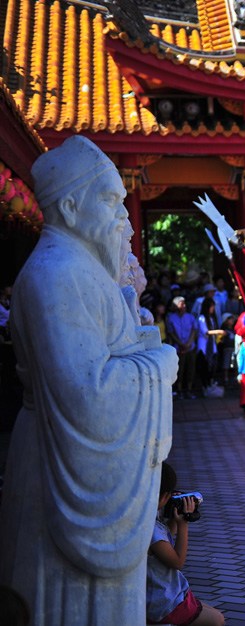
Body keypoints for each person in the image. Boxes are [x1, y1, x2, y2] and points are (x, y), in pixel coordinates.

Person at [0, 135, 178, 623]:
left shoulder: (81, 269)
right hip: (58, 458)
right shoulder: (60, 274)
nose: (124, 218)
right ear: (73, 205)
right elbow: (85, 392)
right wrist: (161, 362)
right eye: (112, 201)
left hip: (51, 450)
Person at [147, 463, 224, 626]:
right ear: (164, 497)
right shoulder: (150, 529)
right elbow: (178, 561)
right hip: (163, 604)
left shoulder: (148, 517)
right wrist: (184, 524)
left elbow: (164, 542)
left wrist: (175, 521)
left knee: (213, 613)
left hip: (170, 594)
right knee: (217, 620)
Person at [167, 296, 199, 398]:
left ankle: (189, 390)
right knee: (179, 370)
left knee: (190, 368)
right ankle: (179, 390)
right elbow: (171, 333)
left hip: (190, 347)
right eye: (182, 303)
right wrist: (180, 343)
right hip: (178, 347)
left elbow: (194, 330)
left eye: (184, 303)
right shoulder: (171, 318)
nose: (184, 305)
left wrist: (189, 343)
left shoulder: (190, 317)